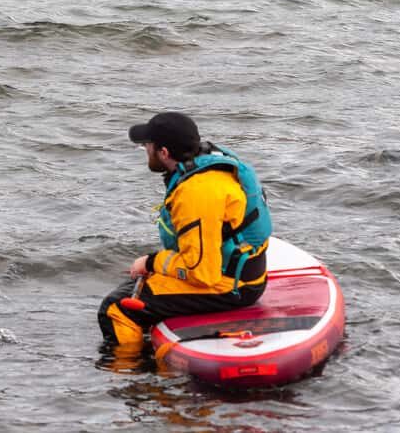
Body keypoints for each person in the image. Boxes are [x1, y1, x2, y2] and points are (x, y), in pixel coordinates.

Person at [98, 112, 272, 347]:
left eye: (147, 146)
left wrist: (151, 263)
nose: (146, 151)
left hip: (231, 287)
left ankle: (134, 374)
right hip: (241, 274)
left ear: (164, 153)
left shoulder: (196, 192)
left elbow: (201, 272)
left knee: (115, 308)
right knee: (137, 284)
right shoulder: (210, 165)